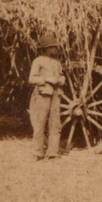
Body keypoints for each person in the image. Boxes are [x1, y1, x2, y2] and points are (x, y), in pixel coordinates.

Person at [28, 33, 66, 161]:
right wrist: (47, 79)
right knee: (40, 123)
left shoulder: (57, 62)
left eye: (55, 47)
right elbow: (32, 79)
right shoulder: (38, 61)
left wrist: (62, 78)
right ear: (45, 49)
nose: (56, 49)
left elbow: (62, 74)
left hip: (56, 94)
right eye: (53, 47)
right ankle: (37, 152)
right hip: (43, 94)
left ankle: (53, 152)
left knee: (55, 123)